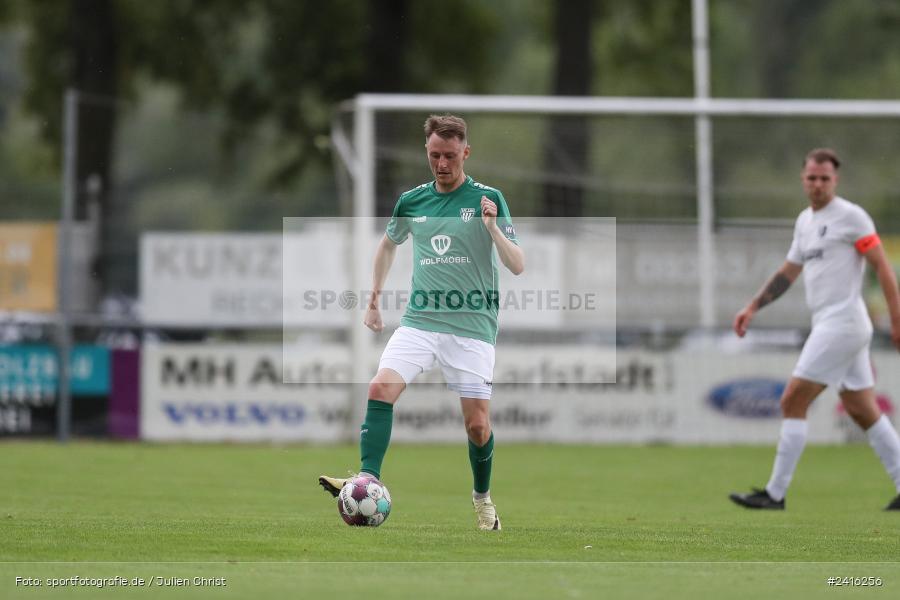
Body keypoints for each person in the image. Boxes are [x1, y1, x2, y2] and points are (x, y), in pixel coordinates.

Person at [319, 114, 524, 530]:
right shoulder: (412, 201)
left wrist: (492, 229)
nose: (442, 163)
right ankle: (366, 478)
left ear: (465, 152)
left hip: (472, 328)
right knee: (380, 387)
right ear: (427, 153)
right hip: (420, 322)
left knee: (478, 426)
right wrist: (374, 299)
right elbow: (386, 246)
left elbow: (517, 264)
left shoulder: (488, 198)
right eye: (435, 155)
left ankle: (483, 500)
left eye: (450, 155)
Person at [729, 148, 900, 511]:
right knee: (861, 409)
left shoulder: (852, 217)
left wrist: (897, 319)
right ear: (803, 179)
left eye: (825, 178)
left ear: (835, 181)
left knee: (792, 399)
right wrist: (752, 306)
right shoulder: (805, 222)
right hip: (830, 323)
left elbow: (883, 268)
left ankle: (775, 493)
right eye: (812, 177)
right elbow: (788, 272)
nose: (818, 184)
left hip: (844, 323)